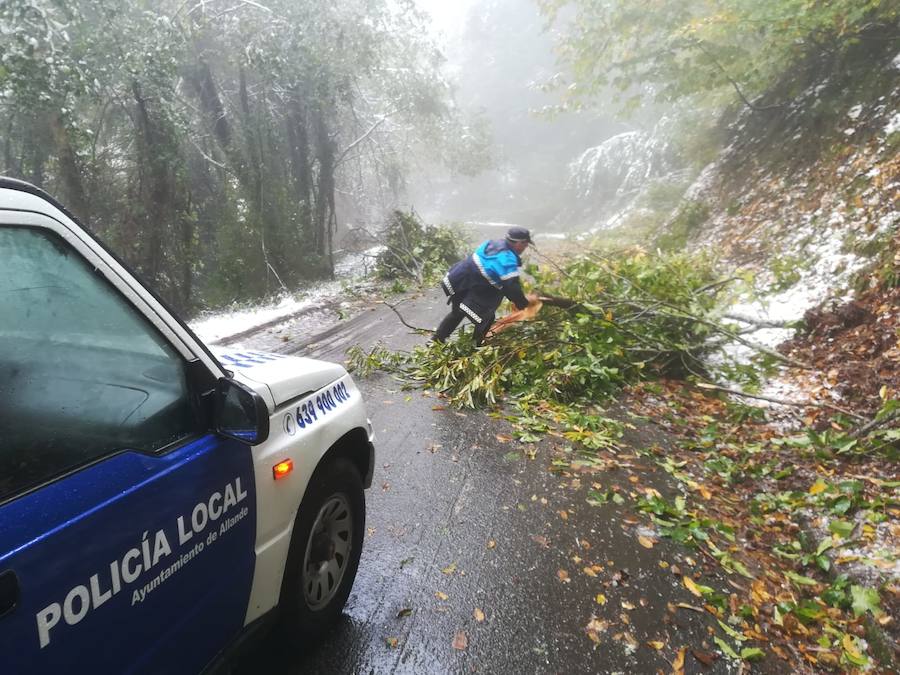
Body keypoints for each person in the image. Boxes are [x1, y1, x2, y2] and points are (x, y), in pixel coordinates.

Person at [433, 226, 534, 345]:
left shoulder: (494, 242)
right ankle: (475, 347)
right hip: (468, 282)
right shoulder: (506, 258)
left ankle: (436, 340)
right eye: (525, 244)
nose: (526, 247)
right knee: (486, 318)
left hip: (459, 278)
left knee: (457, 313)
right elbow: (511, 286)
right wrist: (523, 304)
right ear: (518, 243)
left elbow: (498, 277)